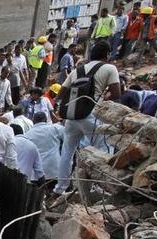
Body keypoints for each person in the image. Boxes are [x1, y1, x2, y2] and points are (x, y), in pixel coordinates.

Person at [54, 41, 120, 195]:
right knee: (103, 149)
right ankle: (100, 189)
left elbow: (61, 94)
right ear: (107, 54)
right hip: (92, 115)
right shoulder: (109, 68)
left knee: (67, 151)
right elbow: (117, 94)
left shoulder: (78, 70)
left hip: (72, 116)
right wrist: (101, 97)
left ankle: (60, 188)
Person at [22, 112, 64, 186]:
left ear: (33, 120)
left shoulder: (27, 134)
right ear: (45, 119)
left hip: (36, 175)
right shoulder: (55, 128)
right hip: (54, 170)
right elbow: (68, 138)